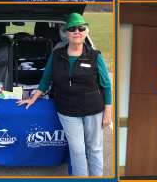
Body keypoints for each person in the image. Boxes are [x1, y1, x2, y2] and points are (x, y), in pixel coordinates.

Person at [17, 13, 112, 176]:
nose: (77, 31)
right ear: (66, 34)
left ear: (86, 31)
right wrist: (33, 98)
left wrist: (107, 112)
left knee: (94, 149)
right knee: (77, 151)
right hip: (67, 111)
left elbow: (107, 86)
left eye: (81, 28)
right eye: (72, 29)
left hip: (93, 110)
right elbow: (46, 78)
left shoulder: (95, 56)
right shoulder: (56, 54)